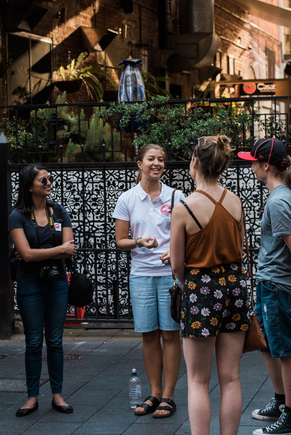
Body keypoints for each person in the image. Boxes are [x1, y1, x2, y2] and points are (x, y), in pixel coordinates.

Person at [170, 135, 249, 435]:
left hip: (201, 289)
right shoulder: (236, 202)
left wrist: (187, 283)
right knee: (230, 378)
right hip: (235, 286)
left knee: (197, 380)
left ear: (195, 163)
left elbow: (178, 264)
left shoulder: (185, 207)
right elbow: (239, 247)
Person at [238, 138, 291, 435]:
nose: (252, 166)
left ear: (266, 165)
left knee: (285, 349)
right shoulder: (290, 197)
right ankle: (281, 404)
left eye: (254, 161)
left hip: (277, 286)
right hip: (277, 284)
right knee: (269, 345)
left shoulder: (279, 202)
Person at [113, 143, 182, 418]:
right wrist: (138, 241)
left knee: (170, 333)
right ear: (139, 164)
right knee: (149, 335)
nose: (157, 163)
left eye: (161, 160)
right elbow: (120, 241)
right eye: (151, 159)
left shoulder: (177, 196)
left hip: (169, 274)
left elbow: (186, 235)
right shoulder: (127, 198)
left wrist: (174, 253)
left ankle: (169, 396)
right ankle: (154, 393)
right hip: (140, 274)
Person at [9, 164, 76, 416]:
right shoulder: (17, 215)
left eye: (49, 179)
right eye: (42, 180)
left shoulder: (58, 211)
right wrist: (57, 251)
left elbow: (69, 246)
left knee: (56, 341)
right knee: (34, 341)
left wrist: (41, 254)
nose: (48, 183)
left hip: (57, 282)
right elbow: (25, 254)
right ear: (29, 186)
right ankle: (32, 396)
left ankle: (58, 395)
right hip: (29, 284)